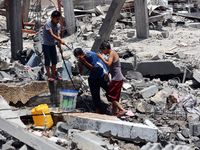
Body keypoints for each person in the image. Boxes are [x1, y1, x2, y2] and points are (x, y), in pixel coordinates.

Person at [73, 48, 109, 113]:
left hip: (102, 75)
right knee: (95, 95)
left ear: (83, 54)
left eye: (79, 57)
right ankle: (97, 110)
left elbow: (94, 68)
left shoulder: (91, 55)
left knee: (109, 91)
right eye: (77, 58)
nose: (78, 59)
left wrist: (84, 62)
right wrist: (81, 62)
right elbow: (80, 71)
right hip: (93, 77)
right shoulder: (82, 59)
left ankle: (115, 107)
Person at [97, 41, 126, 116]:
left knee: (109, 95)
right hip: (118, 77)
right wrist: (108, 72)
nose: (102, 52)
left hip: (117, 78)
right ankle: (113, 115)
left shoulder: (112, 53)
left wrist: (101, 58)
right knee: (115, 98)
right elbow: (115, 66)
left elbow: (109, 64)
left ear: (105, 48)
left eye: (102, 50)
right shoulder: (113, 53)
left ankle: (121, 109)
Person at [42, 10, 66, 81]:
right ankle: (49, 76)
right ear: (52, 18)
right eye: (56, 19)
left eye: (59, 19)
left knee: (54, 60)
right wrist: (61, 41)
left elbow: (58, 36)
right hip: (46, 44)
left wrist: (60, 46)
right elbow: (52, 34)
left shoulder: (58, 25)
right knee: (47, 59)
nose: (58, 21)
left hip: (52, 44)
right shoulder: (48, 24)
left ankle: (53, 75)